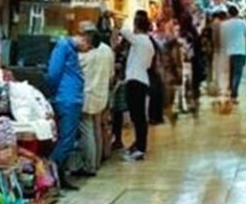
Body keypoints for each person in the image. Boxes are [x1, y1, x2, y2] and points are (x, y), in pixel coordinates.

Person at [47, 30, 86, 189]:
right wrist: (54, 92)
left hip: (72, 98)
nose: (86, 50)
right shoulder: (63, 46)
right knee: (66, 140)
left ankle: (59, 176)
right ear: (84, 38)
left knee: (68, 139)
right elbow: (53, 74)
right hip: (66, 99)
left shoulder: (71, 50)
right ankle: (50, 175)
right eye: (87, 46)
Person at [120, 10, 156, 161]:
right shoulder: (148, 42)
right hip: (141, 79)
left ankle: (140, 148)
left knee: (138, 117)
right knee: (139, 116)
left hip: (135, 81)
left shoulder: (140, 40)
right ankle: (139, 145)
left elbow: (124, 31)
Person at [78, 27, 114, 176]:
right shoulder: (107, 50)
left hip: (87, 95)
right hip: (101, 94)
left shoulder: (86, 55)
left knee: (87, 130)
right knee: (97, 127)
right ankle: (97, 161)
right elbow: (112, 74)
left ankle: (90, 165)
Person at [157, 20, 185, 124]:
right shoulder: (172, 43)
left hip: (167, 71)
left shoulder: (169, 42)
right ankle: (168, 112)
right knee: (169, 92)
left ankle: (168, 112)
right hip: (168, 71)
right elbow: (175, 60)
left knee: (169, 92)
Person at [219, 5, 246, 100]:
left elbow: (222, 38)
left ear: (229, 13)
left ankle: (231, 88)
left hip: (227, 51)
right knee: (238, 73)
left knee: (231, 72)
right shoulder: (243, 23)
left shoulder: (224, 24)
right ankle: (234, 91)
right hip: (240, 51)